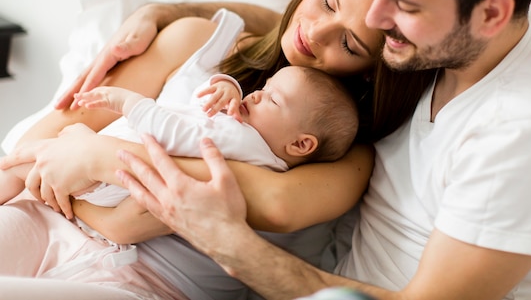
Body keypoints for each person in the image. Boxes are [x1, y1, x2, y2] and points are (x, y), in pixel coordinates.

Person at [90, 0, 531, 299]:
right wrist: (168, 11)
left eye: (403, 4)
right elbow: (295, 31)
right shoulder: (434, 50)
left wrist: (223, 238)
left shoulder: (527, 134)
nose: (377, 17)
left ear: (491, 13)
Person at [0, 0, 433, 299]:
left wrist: (98, 157)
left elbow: (277, 204)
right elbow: (49, 132)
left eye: (348, 42)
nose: (315, 32)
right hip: (47, 214)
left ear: (372, 70)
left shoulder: (341, 152)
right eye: (327, 1)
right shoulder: (198, 43)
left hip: (148, 283)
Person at [0, 64, 359, 209]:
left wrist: (129, 103)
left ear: (300, 144)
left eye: (273, 98)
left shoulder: (248, 144)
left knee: (25, 161)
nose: (257, 94)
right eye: (264, 86)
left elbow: (175, 135)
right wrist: (225, 85)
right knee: (38, 158)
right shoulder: (250, 138)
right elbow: (196, 107)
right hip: (109, 175)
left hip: (112, 181)